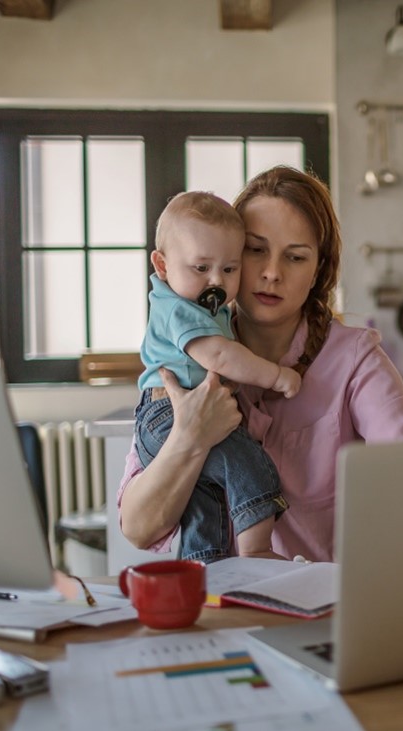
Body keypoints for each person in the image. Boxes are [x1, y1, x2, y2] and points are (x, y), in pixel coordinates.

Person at [119, 166, 403, 562]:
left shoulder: (355, 359)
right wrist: (189, 436)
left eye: (295, 257)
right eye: (255, 250)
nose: (271, 273)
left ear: (318, 271)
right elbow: (139, 530)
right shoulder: (184, 359)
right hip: (218, 610)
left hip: (321, 611)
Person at [136, 191, 301, 563]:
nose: (216, 281)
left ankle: (204, 565)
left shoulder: (200, 307)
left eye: (229, 269)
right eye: (201, 268)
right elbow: (220, 355)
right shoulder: (179, 310)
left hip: (178, 411)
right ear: (162, 265)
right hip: (167, 413)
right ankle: (257, 548)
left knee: (205, 497)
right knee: (246, 461)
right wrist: (276, 376)